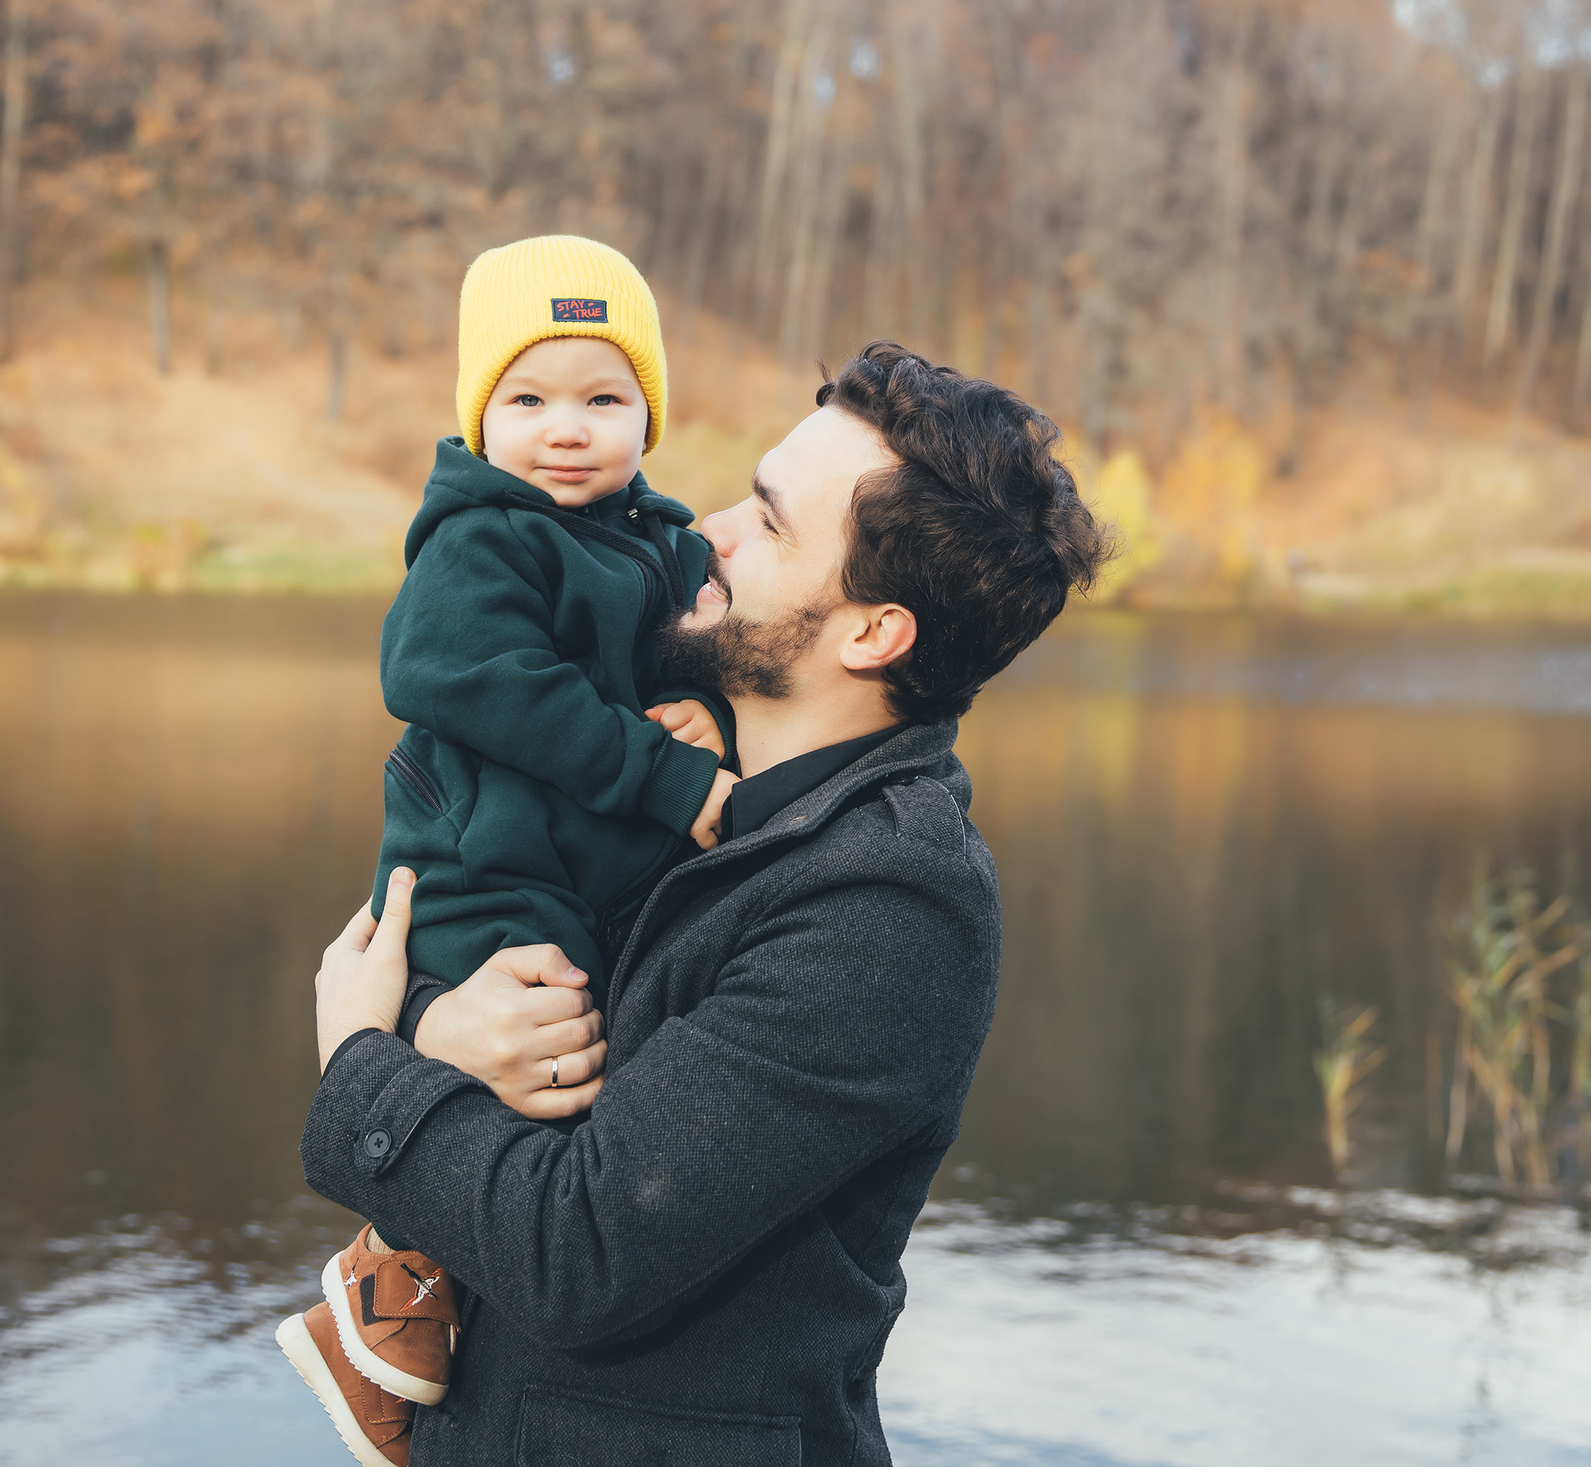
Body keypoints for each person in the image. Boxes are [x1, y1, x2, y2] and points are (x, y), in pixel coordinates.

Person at [298, 342, 1107, 1464]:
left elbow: (576, 1250)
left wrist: (362, 1055)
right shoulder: (688, 774)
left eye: (769, 525)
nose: (709, 531)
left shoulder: (886, 904)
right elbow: (503, 935)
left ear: (873, 632)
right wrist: (439, 1025)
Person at [275, 233, 739, 1463]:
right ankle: (389, 1293)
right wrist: (659, 767)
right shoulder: (485, 534)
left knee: (569, 1076)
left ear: (650, 414)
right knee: (524, 1053)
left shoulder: (668, 545)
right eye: (527, 400)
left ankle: (414, 1321)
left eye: (603, 398)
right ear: (481, 417)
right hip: (480, 854)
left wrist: (710, 716)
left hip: (585, 866)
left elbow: (708, 671)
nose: (565, 429)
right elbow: (447, 672)